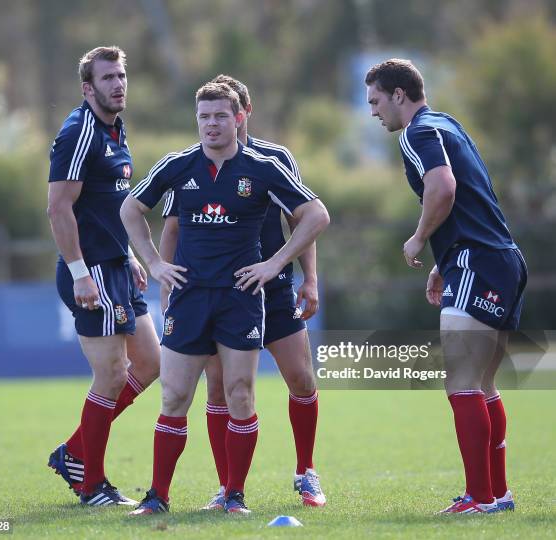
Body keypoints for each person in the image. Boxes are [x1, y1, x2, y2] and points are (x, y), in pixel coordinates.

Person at [121, 82, 330, 515]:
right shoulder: (178, 166)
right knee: (178, 395)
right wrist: (157, 265)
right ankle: (161, 496)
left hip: (249, 296)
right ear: (196, 119)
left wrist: (280, 266)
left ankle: (251, 489)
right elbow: (134, 210)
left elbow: (312, 216)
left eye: (220, 116)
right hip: (192, 297)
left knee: (255, 389)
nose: (211, 124)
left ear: (239, 116)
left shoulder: (267, 165)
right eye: (204, 116)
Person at [365, 59, 527, 514]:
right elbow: (475, 196)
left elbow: (444, 188)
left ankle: (478, 497)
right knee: (483, 384)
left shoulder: (418, 133)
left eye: (376, 101)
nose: (373, 111)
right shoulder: (446, 123)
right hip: (498, 258)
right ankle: (497, 495)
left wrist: (419, 238)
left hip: (478, 258)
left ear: (399, 95)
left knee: (460, 382)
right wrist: (445, 257)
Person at [46, 46, 161, 506]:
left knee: (150, 364)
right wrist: (79, 273)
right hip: (90, 271)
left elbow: (110, 204)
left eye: (121, 75)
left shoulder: (116, 128)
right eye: (108, 77)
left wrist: (129, 254)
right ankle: (91, 483)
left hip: (115, 266)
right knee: (111, 375)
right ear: (87, 87)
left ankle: (75, 450)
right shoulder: (78, 132)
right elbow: (58, 208)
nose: (118, 84)